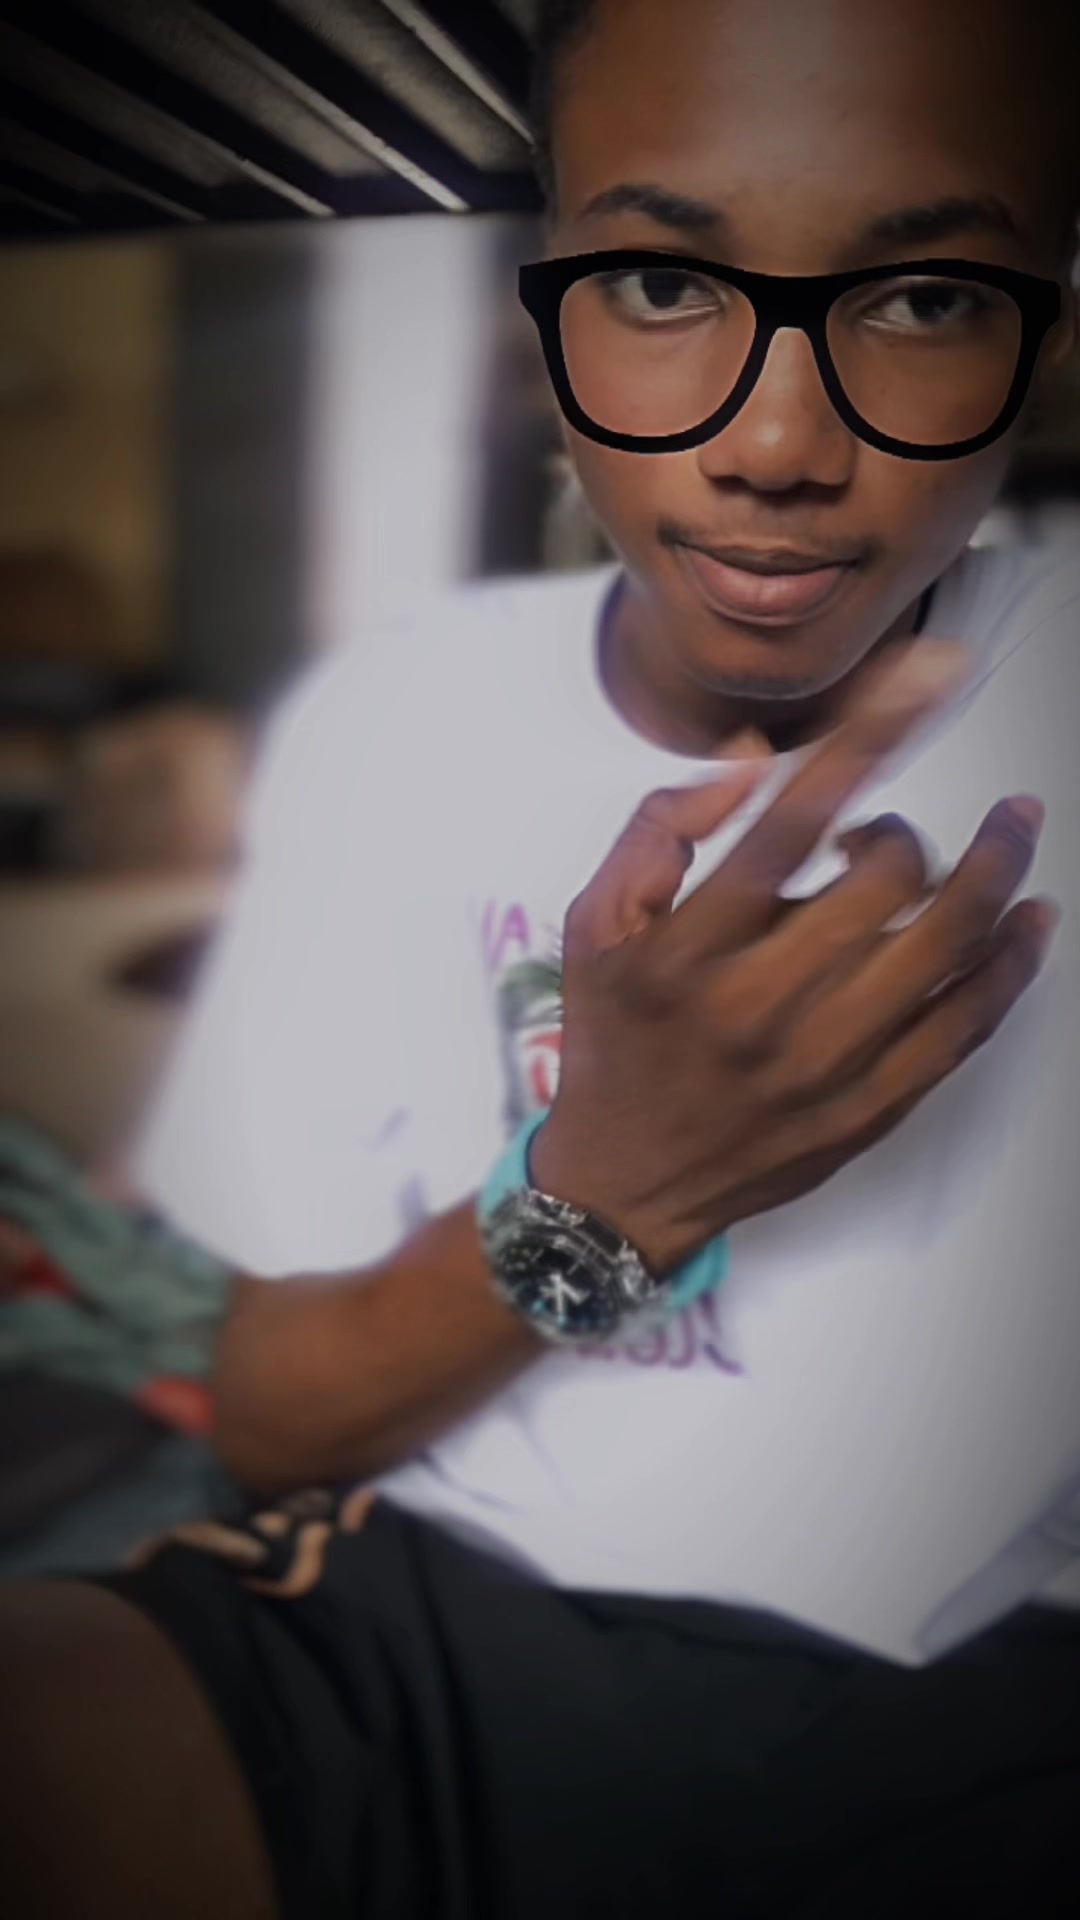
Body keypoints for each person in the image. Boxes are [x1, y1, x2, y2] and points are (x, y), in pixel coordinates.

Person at [3, 2, 1080, 1914]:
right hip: (427, 1628)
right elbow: (276, 1417)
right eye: (662, 281)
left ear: (1042, 340)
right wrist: (609, 1189)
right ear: (548, 323)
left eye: (925, 298)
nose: (774, 444)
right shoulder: (396, 717)